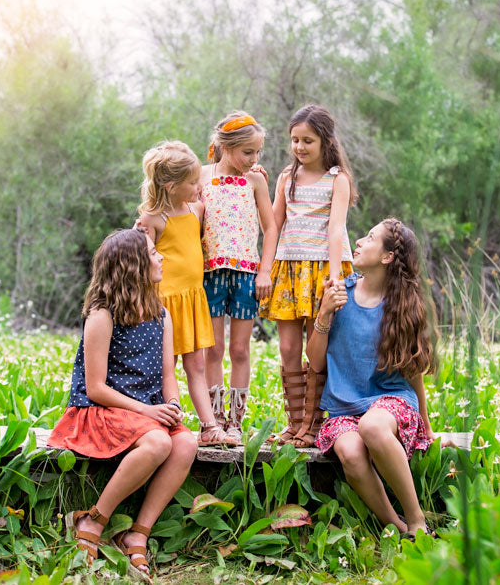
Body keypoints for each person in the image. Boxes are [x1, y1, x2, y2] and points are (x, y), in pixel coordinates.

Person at [47, 229, 198, 581]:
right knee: (159, 442)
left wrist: (172, 402)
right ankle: (94, 519)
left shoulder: (161, 314)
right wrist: (147, 412)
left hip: (145, 413)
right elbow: (96, 387)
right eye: (152, 252)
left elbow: (167, 374)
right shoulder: (102, 315)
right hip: (99, 411)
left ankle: (138, 532)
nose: (160, 257)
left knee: (186, 442)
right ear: (131, 265)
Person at [308, 218, 437, 537]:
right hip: (343, 408)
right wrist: (324, 314)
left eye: (370, 237)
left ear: (387, 257)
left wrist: (426, 424)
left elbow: (413, 370)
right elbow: (314, 362)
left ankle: (417, 519)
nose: (361, 241)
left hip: (391, 402)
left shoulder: (403, 304)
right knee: (351, 452)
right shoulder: (339, 294)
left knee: (372, 426)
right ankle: (397, 527)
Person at [259, 104, 357, 447]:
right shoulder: (287, 178)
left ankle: (314, 424)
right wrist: (264, 270)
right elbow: (273, 225)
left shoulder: (337, 179)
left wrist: (334, 277)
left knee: (319, 344)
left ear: (324, 141)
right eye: (295, 140)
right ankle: (295, 422)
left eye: (308, 141)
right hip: (288, 267)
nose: (300, 147)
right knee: (288, 347)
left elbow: (336, 229)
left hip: (323, 268)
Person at [138, 141, 236, 446]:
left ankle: (209, 427)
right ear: (170, 186)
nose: (199, 186)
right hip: (163, 304)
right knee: (164, 368)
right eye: (193, 182)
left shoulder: (197, 208)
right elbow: (138, 261)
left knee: (196, 366)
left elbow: (223, 186)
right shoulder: (151, 219)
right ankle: (165, 420)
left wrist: (249, 172)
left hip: (193, 300)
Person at [201, 111, 278, 442]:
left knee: (240, 350)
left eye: (258, 152)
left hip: (247, 274)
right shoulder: (202, 176)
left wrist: (265, 270)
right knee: (213, 350)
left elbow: (271, 226)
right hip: (211, 273)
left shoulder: (256, 180)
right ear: (224, 146)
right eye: (248, 152)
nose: (254, 159)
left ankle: (236, 420)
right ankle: (215, 420)